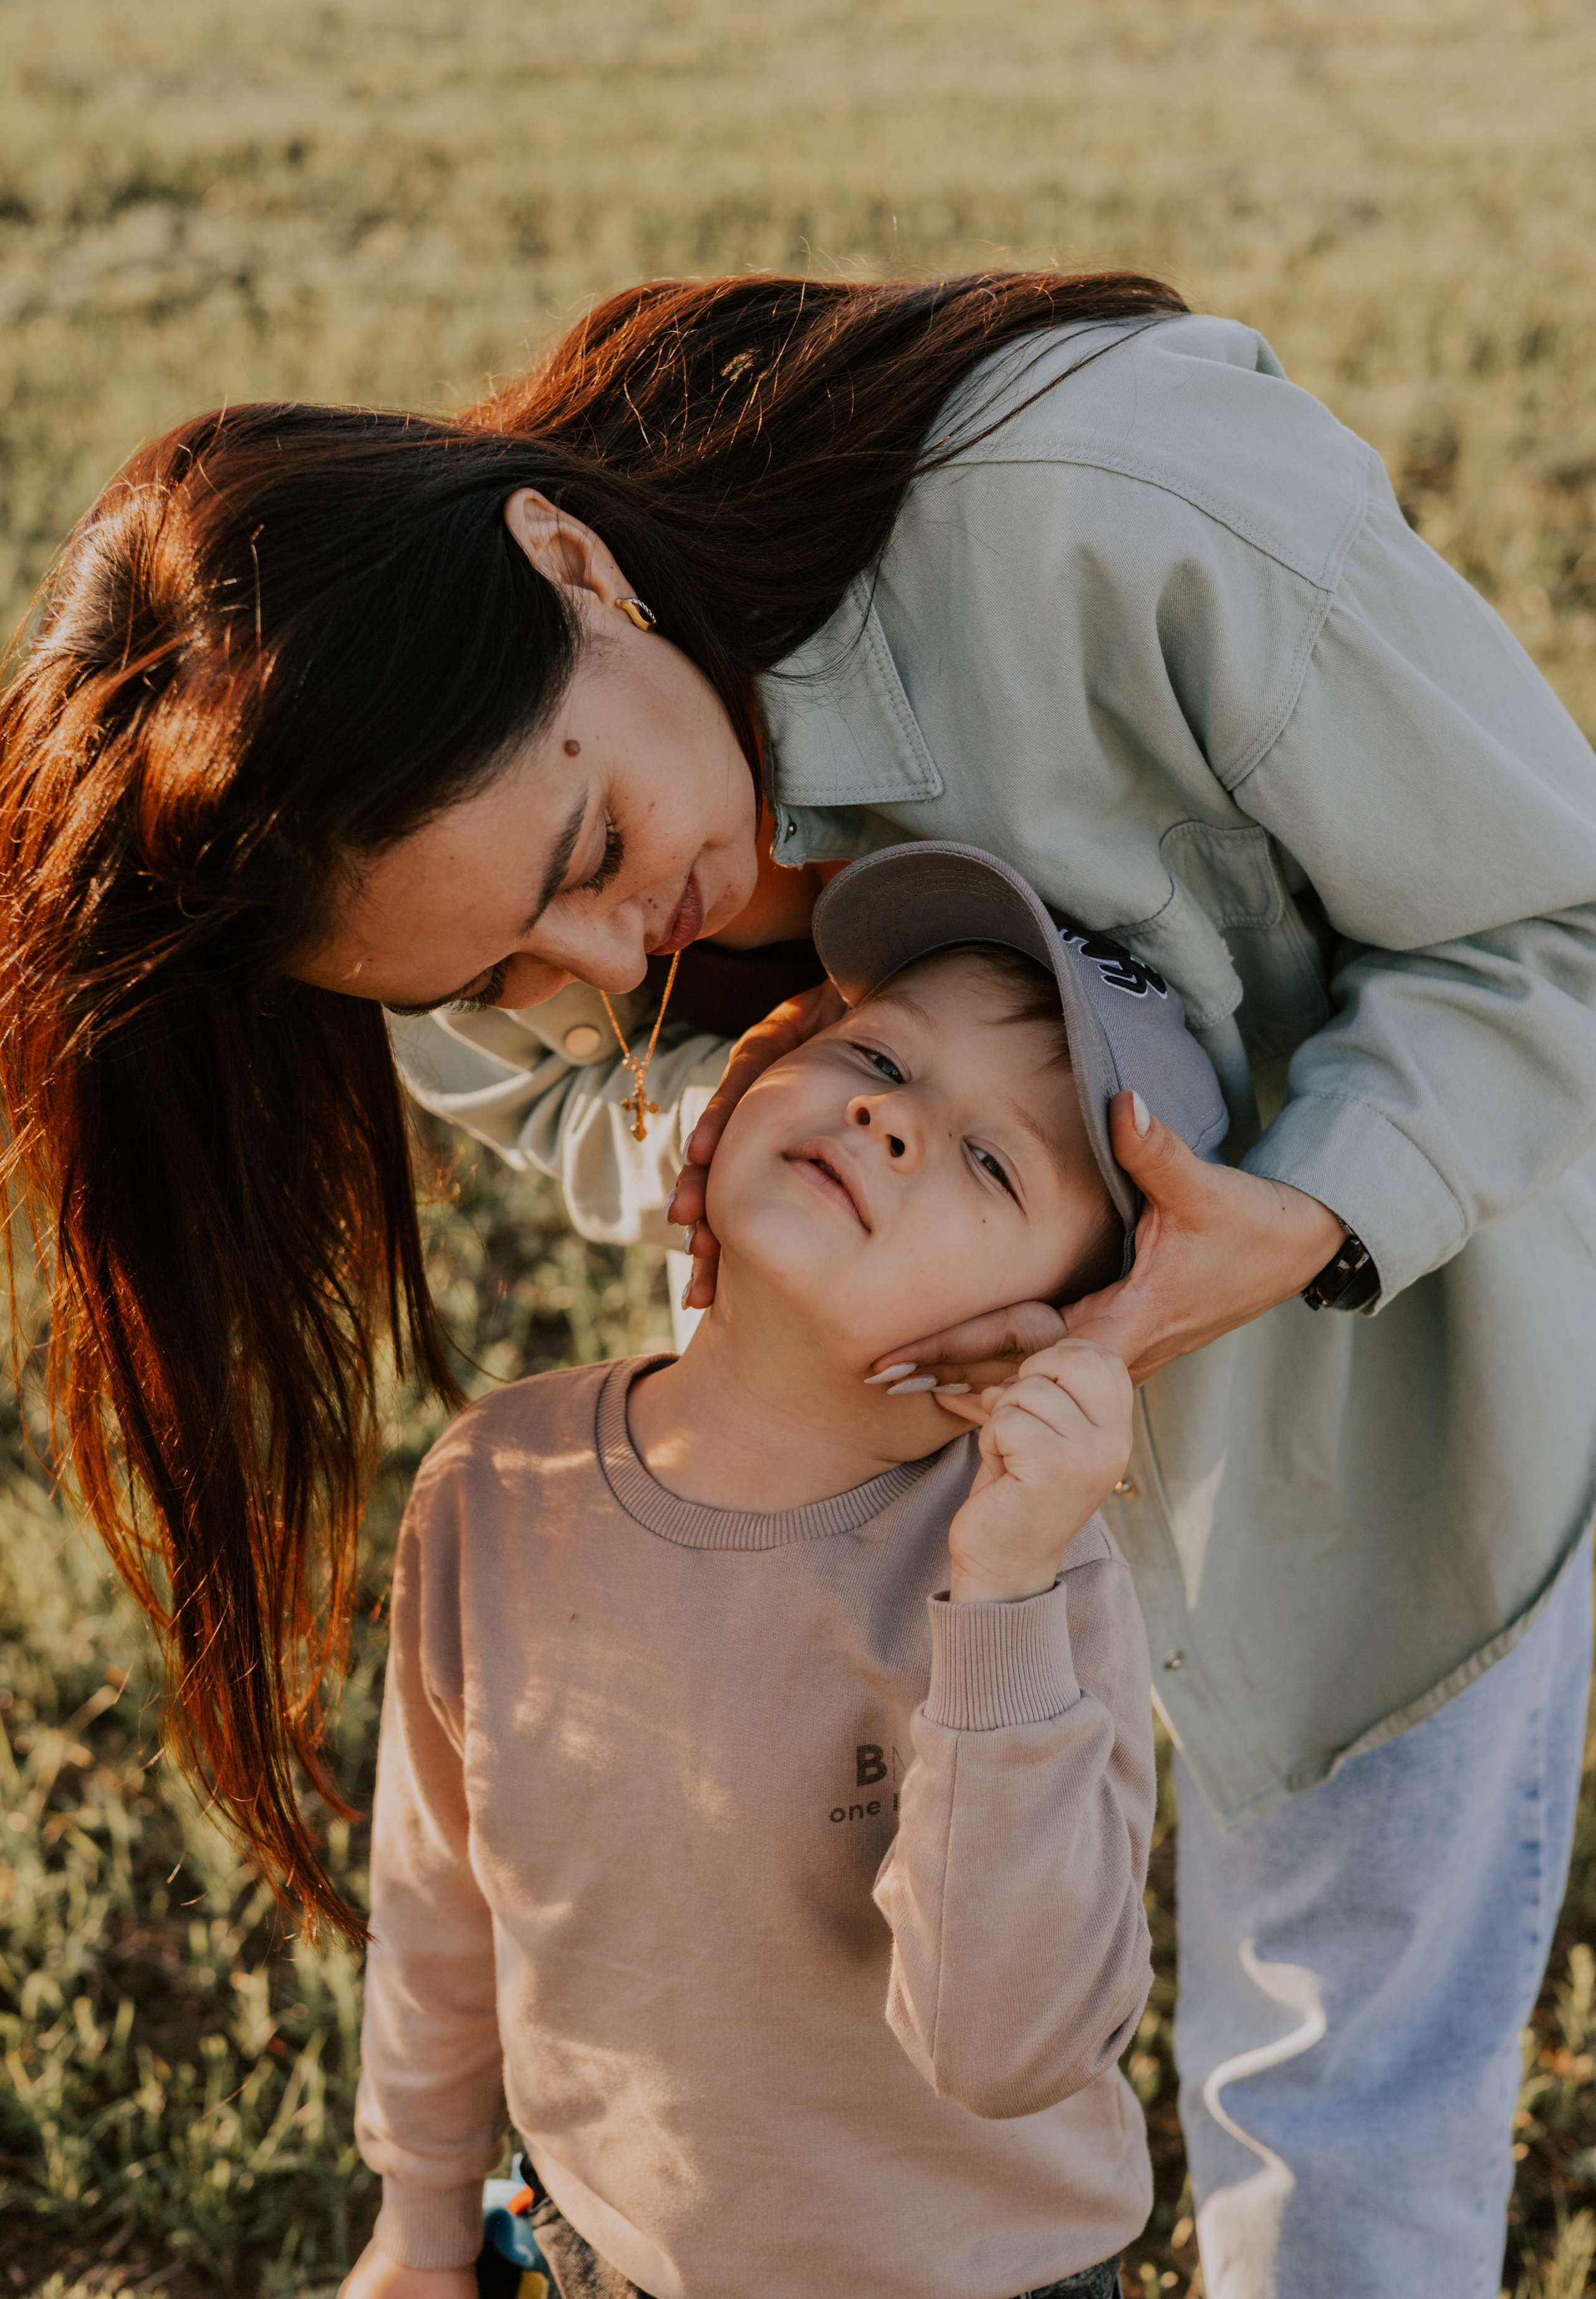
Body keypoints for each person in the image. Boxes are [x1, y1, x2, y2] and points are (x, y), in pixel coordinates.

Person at [3, 271, 1595, 2296]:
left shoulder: (1117, 499)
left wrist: (1303, 1214)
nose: (590, 969)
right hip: (864, 1492)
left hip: (1386, 1386)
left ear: (568, 557)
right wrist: (715, 1129)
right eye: (492, 972)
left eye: (592, 847)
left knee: (1339, 2099)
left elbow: (1560, 920)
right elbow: (565, 1103)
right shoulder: (397, 865)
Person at [345, 842, 1229, 2299]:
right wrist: (424, 2210)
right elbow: (441, 1892)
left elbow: (1005, 2050)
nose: (890, 1118)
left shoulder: (1032, 1592)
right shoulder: (502, 1485)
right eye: (877, 1050)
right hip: (599, 2250)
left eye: (993, 1160)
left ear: (1050, 1327)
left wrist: (999, 1595)